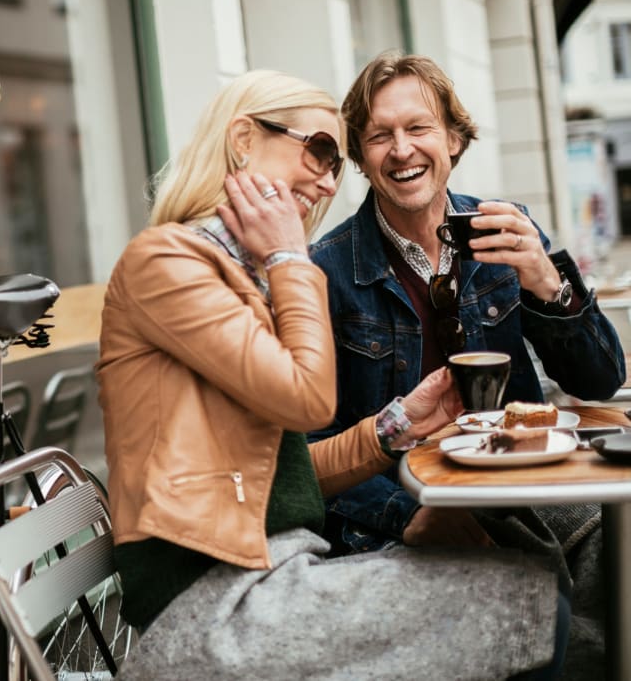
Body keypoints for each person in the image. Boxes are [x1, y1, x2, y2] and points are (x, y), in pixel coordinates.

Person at [96, 69, 567, 680]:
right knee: (529, 608)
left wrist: (399, 423)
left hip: (279, 567)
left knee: (531, 579)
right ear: (243, 139)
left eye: (335, 164)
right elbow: (309, 401)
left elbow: (285, 478)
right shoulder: (168, 260)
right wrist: (290, 256)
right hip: (211, 600)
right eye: (317, 151)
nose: (324, 182)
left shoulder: (239, 277)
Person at [308, 51, 624, 677]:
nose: (402, 150)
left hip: (524, 487)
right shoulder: (327, 270)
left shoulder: (506, 230)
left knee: (622, 561)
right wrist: (410, 516)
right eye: (379, 135)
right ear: (360, 156)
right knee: (530, 591)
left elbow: (602, 378)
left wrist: (547, 284)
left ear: (453, 137)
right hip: (405, 510)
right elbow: (313, 447)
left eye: (418, 128)